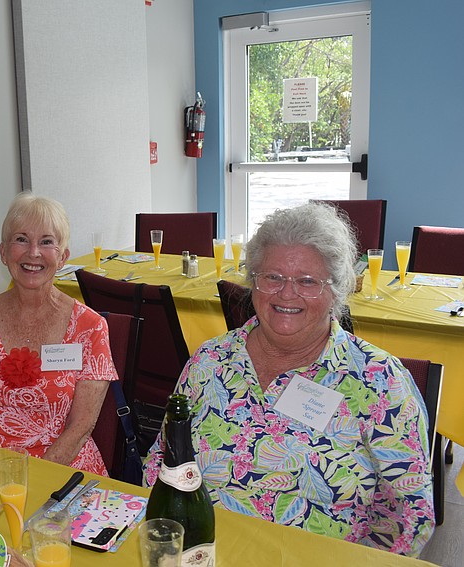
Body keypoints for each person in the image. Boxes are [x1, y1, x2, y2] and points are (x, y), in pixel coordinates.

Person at [144, 202, 435, 556]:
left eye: (308, 281)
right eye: (273, 277)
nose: (286, 293)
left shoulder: (380, 382)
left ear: (337, 291)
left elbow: (409, 517)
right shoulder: (211, 360)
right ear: (253, 282)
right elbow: (163, 459)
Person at [0, 192, 117, 475]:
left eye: (47, 242)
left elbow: (81, 426)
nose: (33, 253)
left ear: (63, 258)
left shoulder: (90, 328)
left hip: (61, 471)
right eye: (21, 239)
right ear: (3, 252)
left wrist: (30, 480)